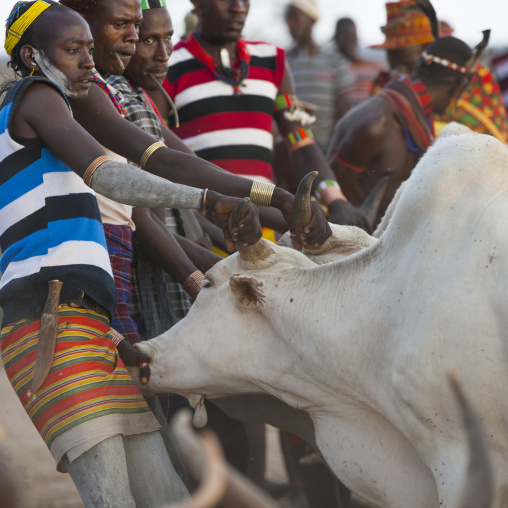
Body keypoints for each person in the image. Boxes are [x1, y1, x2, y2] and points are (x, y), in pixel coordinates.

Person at [0, 2, 262, 507]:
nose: (89, 62)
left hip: (85, 320)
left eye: (88, 50)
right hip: (48, 324)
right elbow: (108, 174)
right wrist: (210, 199)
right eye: (73, 50)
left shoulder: (34, 113)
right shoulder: (34, 97)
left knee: (164, 493)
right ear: (31, 57)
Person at [154, 0, 369, 231]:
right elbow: (159, 152)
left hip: (264, 222)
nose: (238, 8)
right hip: (201, 226)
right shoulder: (168, 65)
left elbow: (301, 144)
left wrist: (335, 199)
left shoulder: (271, 60)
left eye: (245, 0)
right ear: (198, 4)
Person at [327, 35, 478, 227]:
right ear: (458, 85)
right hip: (348, 251)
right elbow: (327, 204)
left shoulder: (418, 117)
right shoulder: (378, 123)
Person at [285, 0, 355, 149]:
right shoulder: (283, 61)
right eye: (288, 18)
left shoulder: (335, 61)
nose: (290, 24)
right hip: (289, 151)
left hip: (326, 149)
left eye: (295, 17)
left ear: (311, 21)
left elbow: (344, 113)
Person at [333, 17, 386, 108]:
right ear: (336, 38)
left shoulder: (375, 69)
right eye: (345, 36)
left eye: (352, 36)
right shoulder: (330, 70)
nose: (349, 41)